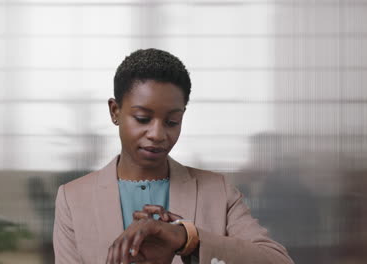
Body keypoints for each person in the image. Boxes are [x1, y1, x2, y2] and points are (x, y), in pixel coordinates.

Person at [53, 49, 294, 264]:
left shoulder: (218, 191)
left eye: (172, 122)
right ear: (115, 111)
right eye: (142, 118)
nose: (157, 134)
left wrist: (187, 238)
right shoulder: (73, 199)